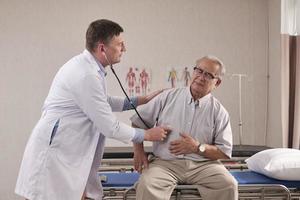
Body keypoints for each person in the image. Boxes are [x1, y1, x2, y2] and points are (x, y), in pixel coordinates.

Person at [15, 19, 171, 200]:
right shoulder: (85, 74)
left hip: (67, 151)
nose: (124, 49)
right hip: (56, 152)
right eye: (120, 44)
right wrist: (147, 135)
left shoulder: (88, 68)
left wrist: (139, 100)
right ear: (102, 48)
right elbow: (109, 127)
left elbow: (102, 101)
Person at [131, 56, 238, 200]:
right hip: (165, 164)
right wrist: (138, 151)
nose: (201, 77)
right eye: (199, 71)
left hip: (204, 166)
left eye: (208, 75)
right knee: (147, 184)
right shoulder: (167, 97)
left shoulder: (219, 111)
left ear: (217, 82)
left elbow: (224, 152)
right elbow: (138, 122)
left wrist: (197, 147)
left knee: (229, 184)